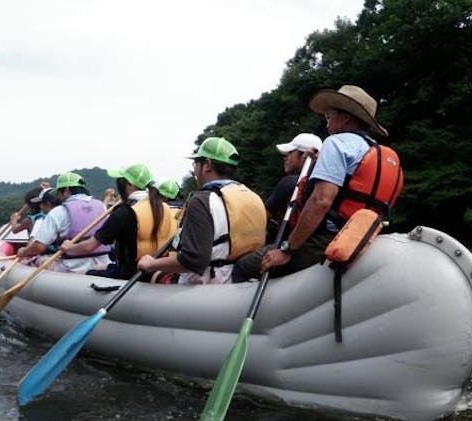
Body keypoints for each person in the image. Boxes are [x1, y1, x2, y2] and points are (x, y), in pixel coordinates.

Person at [261, 84, 404, 274]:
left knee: (245, 265)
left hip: (328, 238)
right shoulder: (374, 150)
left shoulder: (335, 143)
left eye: (329, 116)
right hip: (364, 236)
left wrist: (287, 249)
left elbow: (321, 201)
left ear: (345, 119)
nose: (327, 124)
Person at [137, 137, 267, 284]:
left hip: (212, 281)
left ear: (207, 165)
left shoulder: (202, 200)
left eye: (196, 163)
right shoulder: (253, 196)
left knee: (155, 275)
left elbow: (193, 260)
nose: (195, 169)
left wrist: (151, 264)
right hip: (244, 279)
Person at [60, 164, 178, 280]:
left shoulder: (124, 212)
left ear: (130, 184)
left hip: (131, 274)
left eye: (119, 181)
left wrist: (70, 247)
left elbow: (88, 247)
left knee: (81, 273)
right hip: (155, 268)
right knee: (98, 266)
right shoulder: (163, 207)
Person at [232, 133, 323, 282]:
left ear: (304, 156)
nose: (285, 157)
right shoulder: (323, 184)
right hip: (313, 245)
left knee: (242, 265)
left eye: (289, 153)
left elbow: (260, 219)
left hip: (293, 248)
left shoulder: (290, 183)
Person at [16, 172, 111, 273]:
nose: (58, 196)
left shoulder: (59, 211)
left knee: (36, 260)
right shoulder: (102, 206)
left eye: (59, 192)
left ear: (66, 191)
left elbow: (39, 247)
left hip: (72, 267)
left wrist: (24, 252)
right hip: (103, 264)